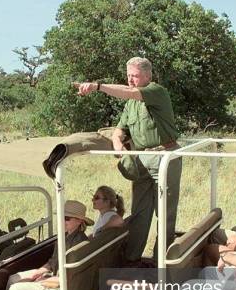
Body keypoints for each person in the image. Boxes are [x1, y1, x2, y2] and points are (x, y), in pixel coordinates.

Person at [74, 57, 182, 262]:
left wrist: (97, 86)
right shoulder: (131, 103)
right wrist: (117, 143)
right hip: (139, 159)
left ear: (148, 76)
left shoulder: (156, 91)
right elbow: (119, 130)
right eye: (129, 76)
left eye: (135, 75)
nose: (131, 80)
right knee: (140, 213)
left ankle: (162, 264)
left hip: (164, 156)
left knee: (165, 213)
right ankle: (132, 259)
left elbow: (129, 91)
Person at [0, 200, 91, 290]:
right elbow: (53, 261)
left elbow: (70, 278)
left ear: (80, 221)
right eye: (61, 217)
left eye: (67, 218)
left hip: (60, 289)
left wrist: (45, 280)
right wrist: (38, 272)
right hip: (54, 275)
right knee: (13, 278)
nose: (62, 221)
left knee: (15, 289)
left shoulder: (80, 245)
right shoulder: (64, 236)